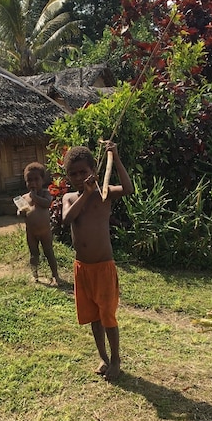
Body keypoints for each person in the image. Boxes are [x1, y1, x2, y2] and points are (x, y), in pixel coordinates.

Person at [61, 141, 134, 381]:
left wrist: (116, 157)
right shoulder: (71, 198)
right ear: (68, 176)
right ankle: (102, 357)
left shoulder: (105, 194)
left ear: (94, 169)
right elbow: (67, 219)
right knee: (93, 317)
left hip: (103, 267)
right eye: (73, 174)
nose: (79, 177)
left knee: (108, 317)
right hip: (83, 269)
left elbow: (128, 188)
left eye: (83, 172)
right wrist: (85, 193)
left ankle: (115, 359)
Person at [18, 162, 62, 285]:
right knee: (33, 253)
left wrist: (35, 197)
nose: (33, 183)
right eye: (29, 180)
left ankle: (55, 275)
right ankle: (35, 275)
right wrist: (20, 212)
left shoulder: (45, 194)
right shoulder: (24, 197)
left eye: (36, 179)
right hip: (31, 232)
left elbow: (47, 203)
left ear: (42, 180)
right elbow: (20, 211)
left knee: (49, 252)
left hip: (45, 231)